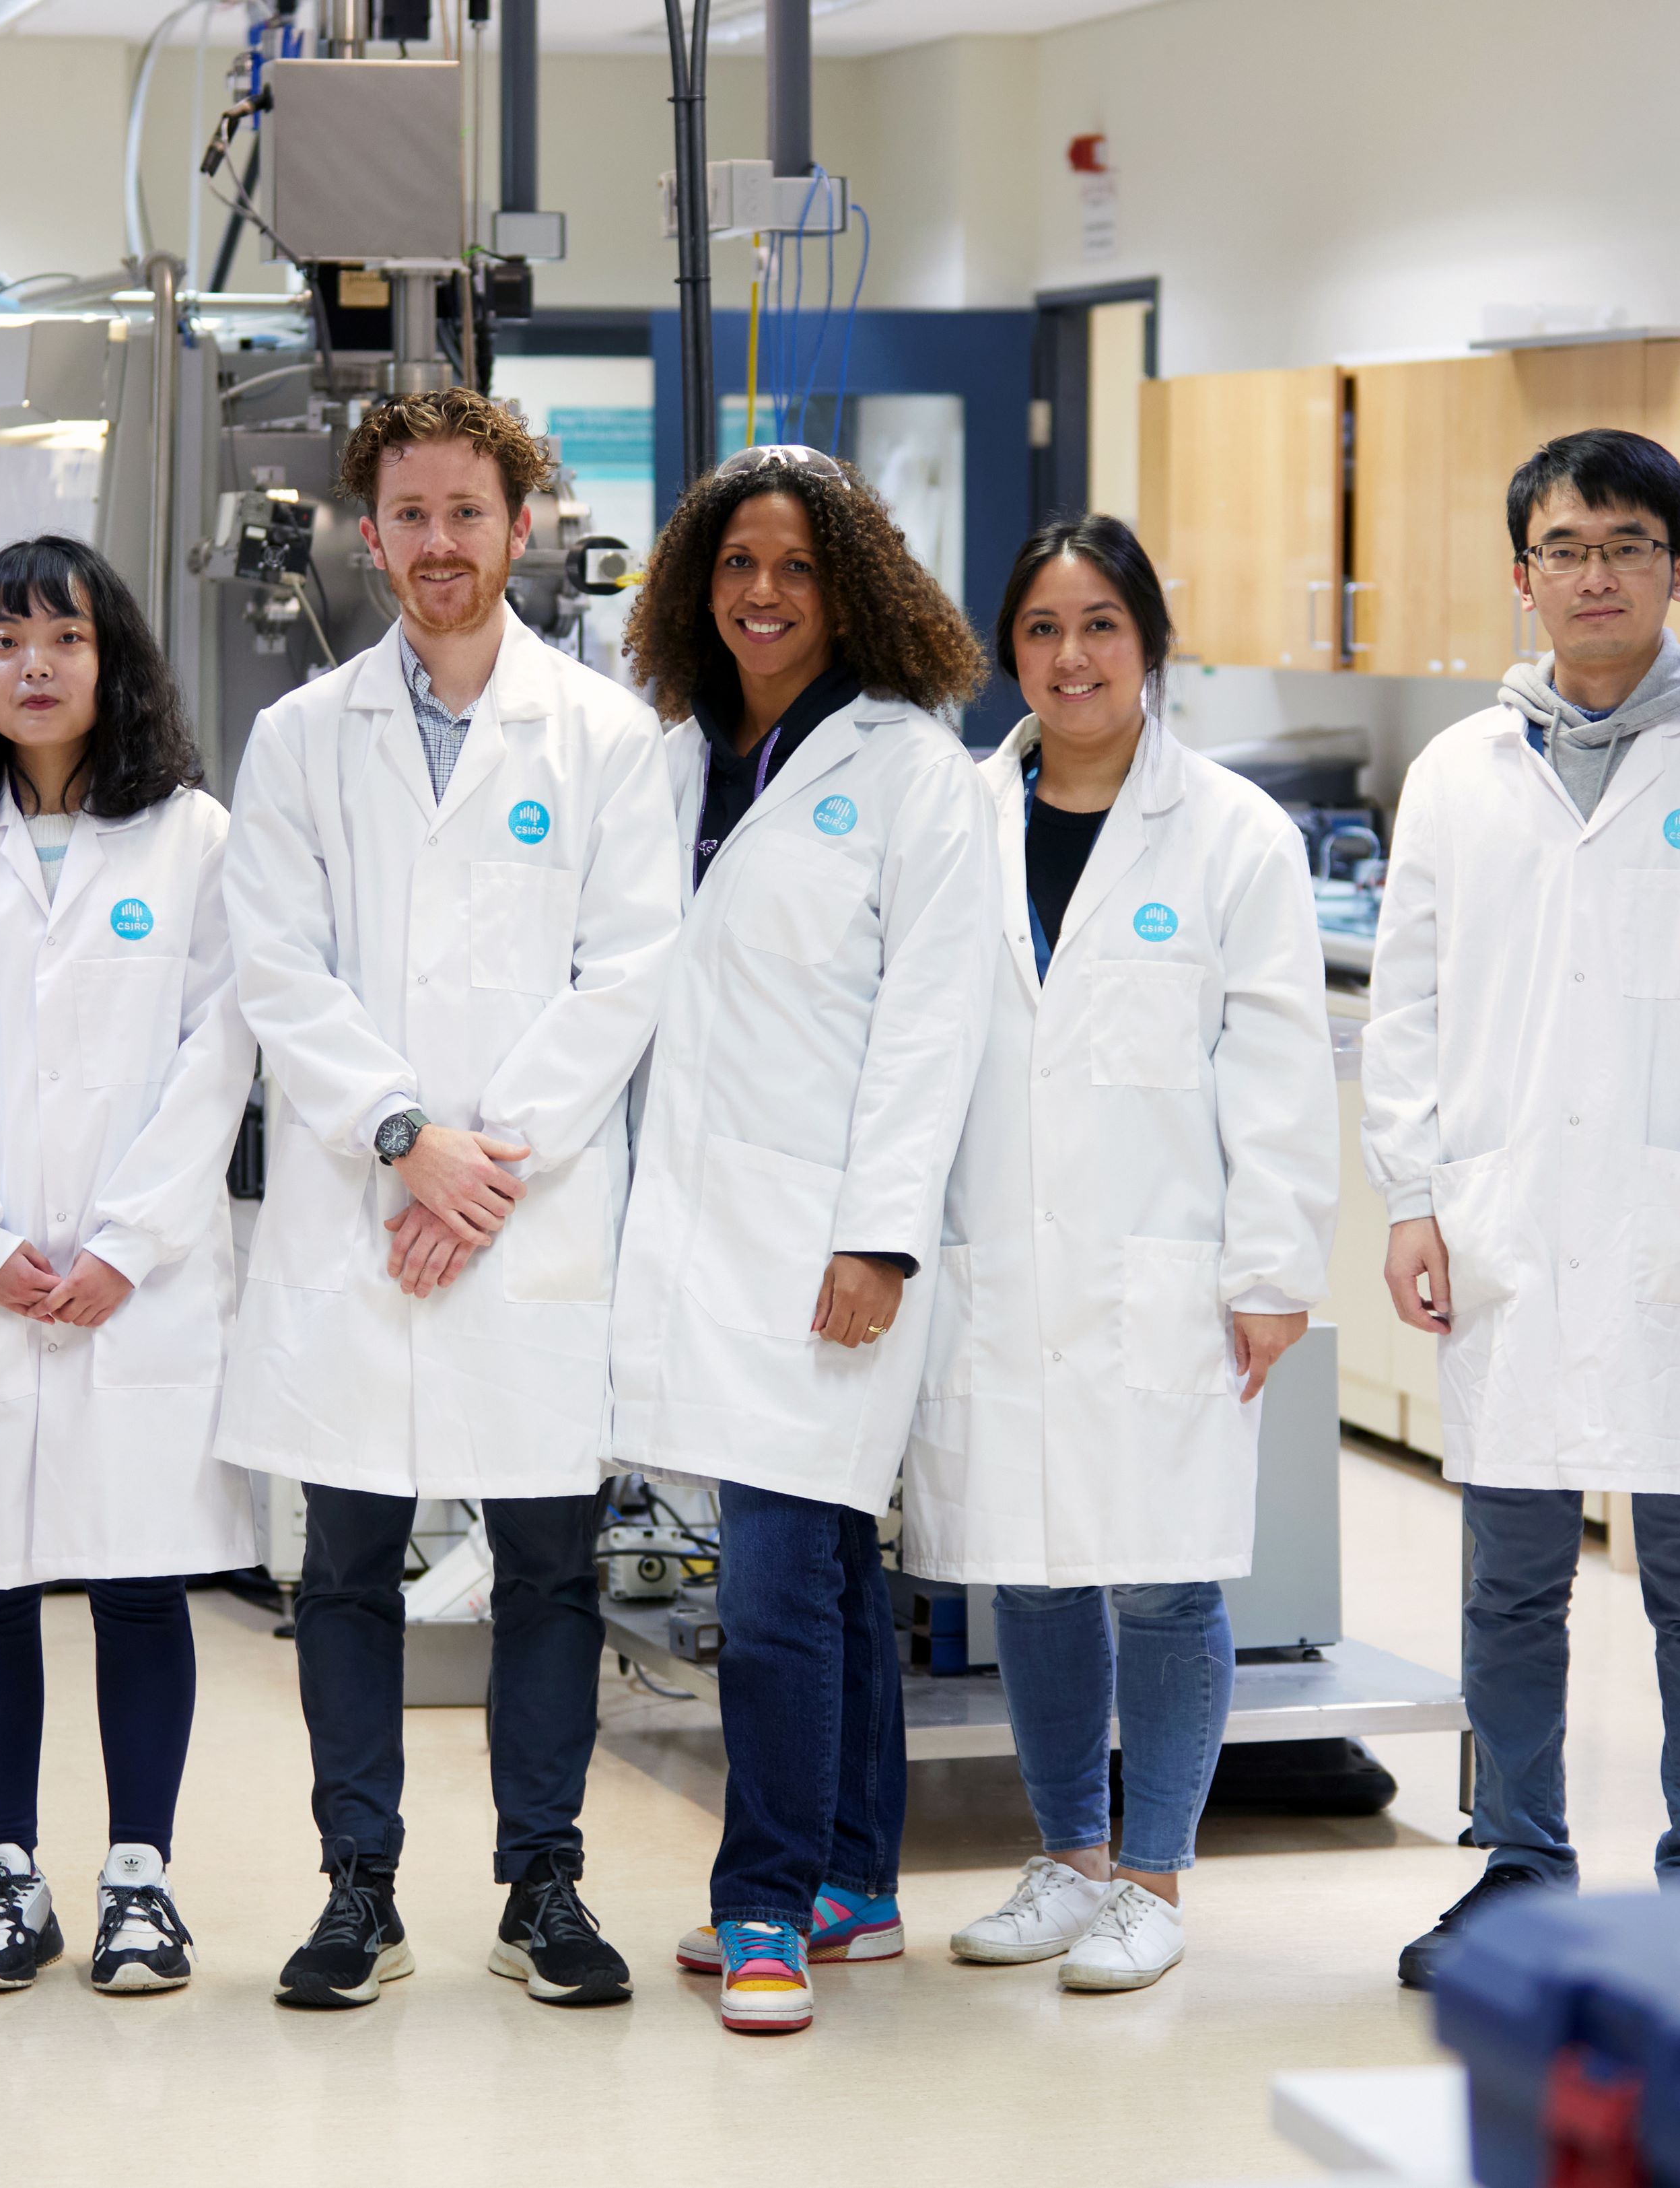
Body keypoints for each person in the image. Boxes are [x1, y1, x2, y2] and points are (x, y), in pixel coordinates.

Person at [1365, 430, 1680, 1987]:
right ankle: (1519, 1867)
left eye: (1629, 546)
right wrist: (1411, 1192)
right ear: (1522, 575)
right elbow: (1407, 1004)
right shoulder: (1459, 770)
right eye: (1569, 547)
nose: (1598, 574)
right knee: (1509, 1579)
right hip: (1509, 1227)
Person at [219, 388, 680, 2011]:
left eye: (466, 514)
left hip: (525, 1215)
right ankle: (360, 1884)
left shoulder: (607, 735)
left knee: (550, 1570)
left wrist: (483, 1168)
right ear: (368, 535)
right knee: (340, 1567)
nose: (438, 544)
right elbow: (275, 962)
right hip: (369, 1207)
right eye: (408, 515)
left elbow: (625, 970)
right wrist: (406, 1136)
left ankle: (540, 1881)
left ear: (522, 525)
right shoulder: (299, 738)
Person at [902, 516, 1337, 1992]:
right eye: (1040, 629)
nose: (1069, 657)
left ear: (1149, 641)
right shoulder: (955, 820)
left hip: (1169, 1266)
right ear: (1005, 649)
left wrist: (1271, 1270)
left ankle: (1152, 1874)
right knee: (1027, 1569)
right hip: (1003, 1264)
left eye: (1099, 625)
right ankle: (1067, 1856)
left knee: (1160, 1577)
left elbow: (1278, 1069)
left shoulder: (1230, 835)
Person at [609, 443, 999, 2035]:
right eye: (736, 566)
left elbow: (934, 1026)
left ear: (854, 588)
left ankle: (758, 1900)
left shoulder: (912, 770)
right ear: (699, 590)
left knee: (775, 1585)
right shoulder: (679, 758)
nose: (763, 593)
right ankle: (858, 1877)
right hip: (699, 1226)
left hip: (834, 1240)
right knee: (828, 1565)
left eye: (795, 566)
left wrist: (880, 1238)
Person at [0, 535, 256, 1996]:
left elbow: (224, 1050)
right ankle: (5, 1875)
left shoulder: (192, 837)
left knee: (142, 1577)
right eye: (5, 640)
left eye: (63, 639)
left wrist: (129, 1244)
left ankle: (140, 1878)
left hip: (134, 1282)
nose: (34, 665)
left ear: (112, 658)